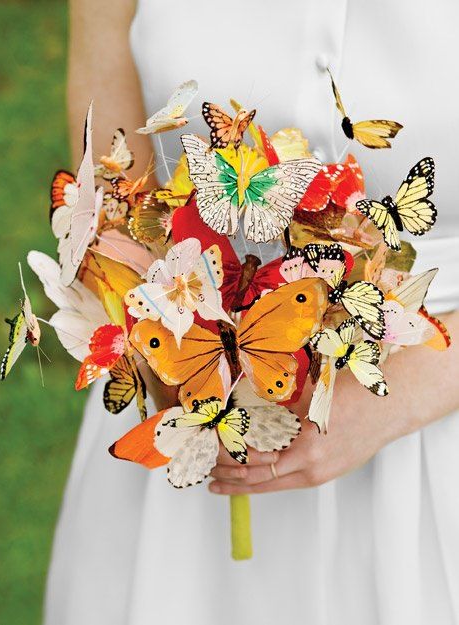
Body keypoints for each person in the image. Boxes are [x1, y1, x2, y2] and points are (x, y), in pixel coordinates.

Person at [45, 1, 459, 624]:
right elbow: (111, 159)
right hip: (188, 381)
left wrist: (394, 398)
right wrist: (153, 326)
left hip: (433, 418)